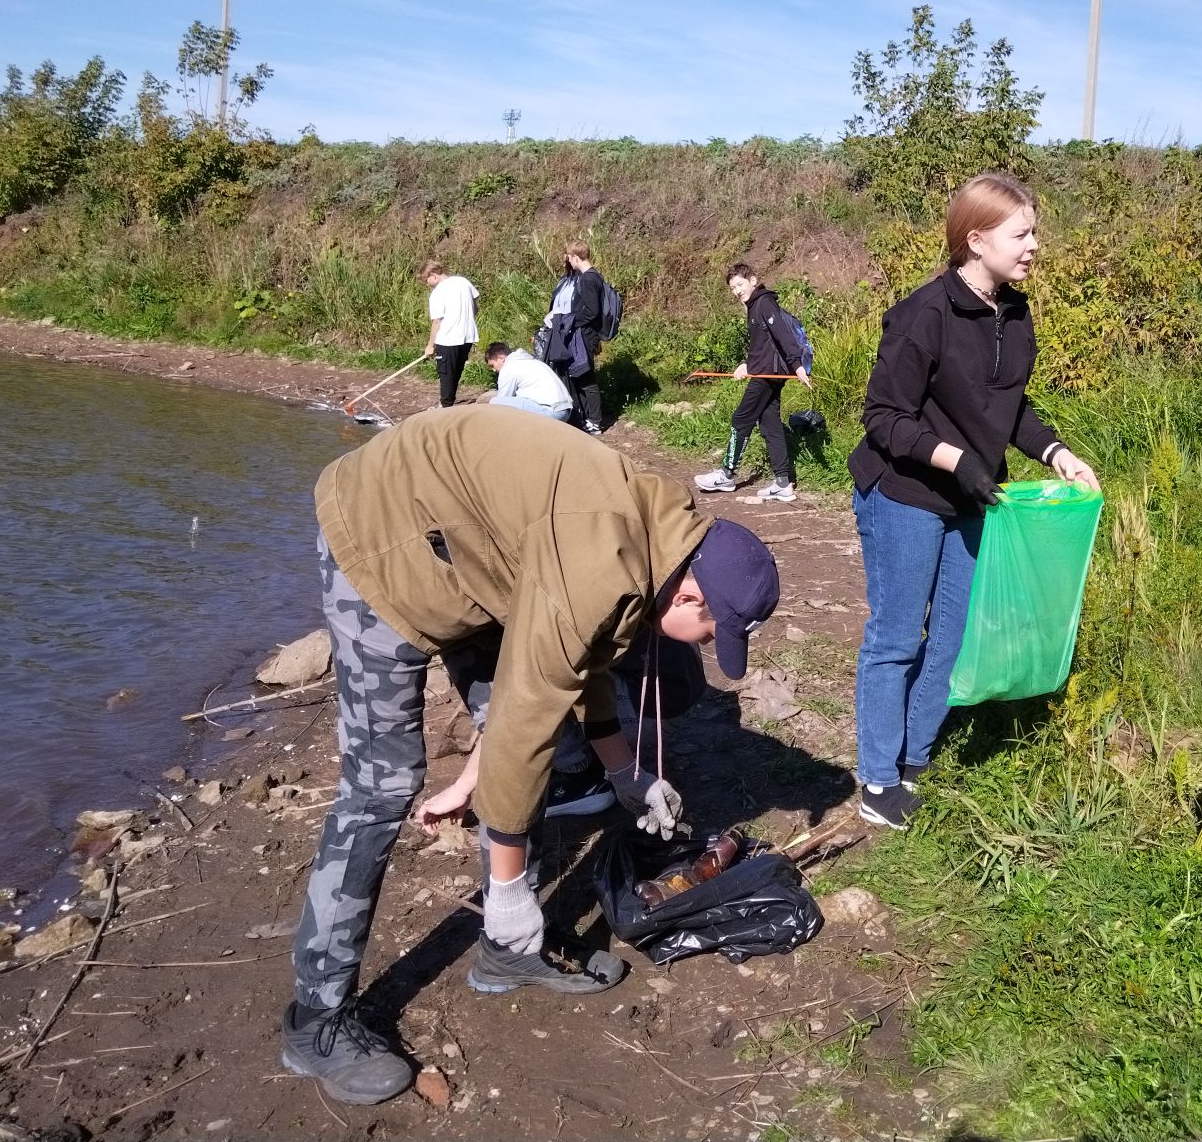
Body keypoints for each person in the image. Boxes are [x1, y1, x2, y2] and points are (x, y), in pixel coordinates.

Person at [281, 405, 780, 1105]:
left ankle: (505, 951)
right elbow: (524, 717)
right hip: (381, 534)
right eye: (710, 630)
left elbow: (585, 656)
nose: (704, 644)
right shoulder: (597, 558)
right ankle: (317, 1019)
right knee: (384, 785)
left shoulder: (670, 534)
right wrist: (513, 888)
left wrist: (623, 769)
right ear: (692, 589)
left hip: (473, 549)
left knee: (553, 746)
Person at [846, 172, 1099, 831]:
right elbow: (884, 418)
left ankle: (912, 759)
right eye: (1023, 234)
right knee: (897, 635)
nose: (1035, 245)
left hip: (971, 498)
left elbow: (1011, 407)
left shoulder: (1013, 315)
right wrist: (956, 460)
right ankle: (875, 779)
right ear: (976, 238)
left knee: (953, 639)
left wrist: (1057, 453)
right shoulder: (922, 316)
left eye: (1035, 231)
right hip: (904, 492)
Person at [694, 263, 813, 503]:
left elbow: (783, 335)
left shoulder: (763, 302)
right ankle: (782, 483)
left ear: (753, 281)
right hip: (766, 371)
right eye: (732, 288)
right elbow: (762, 346)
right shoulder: (754, 306)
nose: (737, 291)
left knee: (741, 419)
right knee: (770, 425)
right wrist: (747, 365)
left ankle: (727, 474)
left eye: (740, 284)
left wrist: (798, 365)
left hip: (768, 375)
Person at [563, 242, 609, 435]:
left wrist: (569, 321)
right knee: (581, 376)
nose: (569, 262)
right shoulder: (593, 276)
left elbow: (591, 312)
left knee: (587, 378)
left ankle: (595, 422)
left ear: (576, 257)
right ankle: (588, 418)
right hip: (587, 333)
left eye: (569, 257)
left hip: (585, 334)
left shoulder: (588, 279)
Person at [420, 260, 479, 407]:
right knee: (456, 372)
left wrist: (430, 346)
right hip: (467, 336)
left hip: (448, 339)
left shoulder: (438, 293)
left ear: (433, 275)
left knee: (446, 374)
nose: (427, 285)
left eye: (426, 280)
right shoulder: (463, 282)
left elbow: (437, 321)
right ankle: (448, 403)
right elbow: (475, 305)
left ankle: (445, 408)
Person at [485, 341, 574, 422]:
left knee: (495, 401)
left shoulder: (508, 368)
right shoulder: (532, 362)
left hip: (550, 412)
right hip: (565, 411)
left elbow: (502, 402)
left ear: (500, 356)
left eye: (492, 365)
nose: (494, 370)